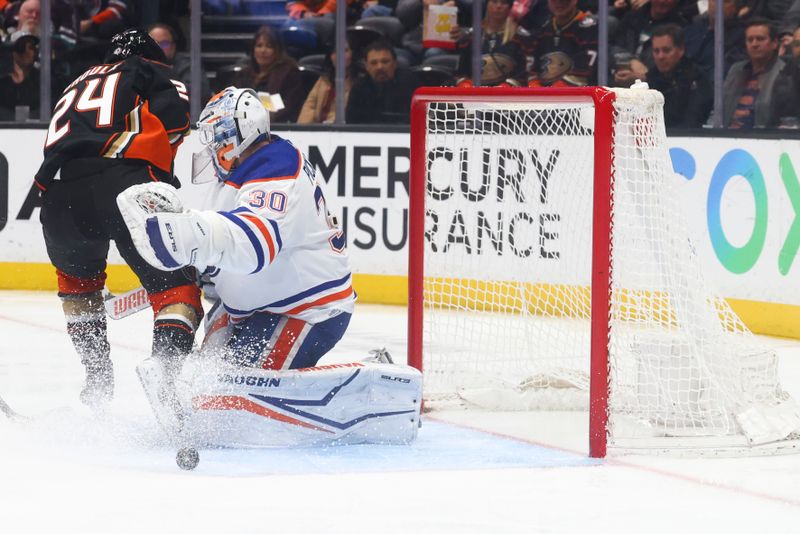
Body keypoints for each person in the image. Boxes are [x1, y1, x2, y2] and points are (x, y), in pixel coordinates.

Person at [118, 85, 355, 376]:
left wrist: (188, 234)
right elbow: (225, 244)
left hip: (302, 311)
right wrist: (197, 268)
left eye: (215, 134)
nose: (211, 145)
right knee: (201, 381)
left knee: (231, 392)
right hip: (249, 310)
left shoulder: (276, 165)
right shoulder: (237, 174)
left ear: (239, 132)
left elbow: (253, 245)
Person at [34, 29, 202, 407]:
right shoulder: (149, 71)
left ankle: (97, 378)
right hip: (124, 185)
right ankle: (165, 374)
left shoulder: (74, 84)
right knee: (178, 289)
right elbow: (176, 125)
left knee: (79, 290)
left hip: (58, 196)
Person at [713, 18, 800, 128]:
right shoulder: (736, 70)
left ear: (774, 43)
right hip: (726, 138)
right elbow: (719, 108)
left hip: (761, 139)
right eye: (750, 40)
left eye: (760, 39)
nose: (754, 44)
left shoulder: (786, 72)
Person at [646, 24, 713, 127]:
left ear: (681, 50)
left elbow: (693, 121)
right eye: (656, 51)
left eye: (666, 50)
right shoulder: (651, 78)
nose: (661, 56)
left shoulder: (697, 80)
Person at [235, 26, 305, 123]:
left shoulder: (290, 73)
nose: (263, 51)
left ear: (278, 50)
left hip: (278, 126)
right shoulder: (244, 73)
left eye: (269, 46)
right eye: (259, 46)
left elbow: (289, 107)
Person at [451, 0, 528, 87]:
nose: (498, 6)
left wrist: (508, 85)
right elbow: (462, 72)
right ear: (487, 5)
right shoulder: (472, 36)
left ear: (510, 7)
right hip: (476, 94)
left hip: (508, 95)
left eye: (504, 3)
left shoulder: (519, 37)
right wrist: (465, 84)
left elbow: (523, 73)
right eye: (494, 2)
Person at [526, 0, 599, 87]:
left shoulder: (588, 27)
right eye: (554, 0)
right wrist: (534, 84)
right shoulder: (543, 27)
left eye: (564, 0)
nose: (559, 3)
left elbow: (584, 69)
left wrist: (556, 90)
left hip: (580, 94)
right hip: (546, 93)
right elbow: (532, 63)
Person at [345, 38, 418, 123]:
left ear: (395, 63)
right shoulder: (359, 88)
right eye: (373, 63)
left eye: (385, 61)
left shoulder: (409, 83)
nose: (380, 67)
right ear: (366, 66)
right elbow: (351, 122)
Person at [147, 22, 212, 107]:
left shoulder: (189, 67)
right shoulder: (137, 67)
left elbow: (201, 94)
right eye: (154, 43)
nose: (158, 48)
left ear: (173, 47)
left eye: (164, 44)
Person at [297, 37, 357, 123]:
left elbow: (349, 114)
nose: (339, 55)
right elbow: (309, 106)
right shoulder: (324, 79)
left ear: (353, 54)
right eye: (334, 52)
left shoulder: (358, 82)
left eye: (345, 50)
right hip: (317, 130)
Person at [0, 32, 40, 120]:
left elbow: (35, 104)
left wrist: (23, 83)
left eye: (31, 47)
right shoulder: (3, 80)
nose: (27, 52)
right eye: (21, 47)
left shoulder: (41, 79)